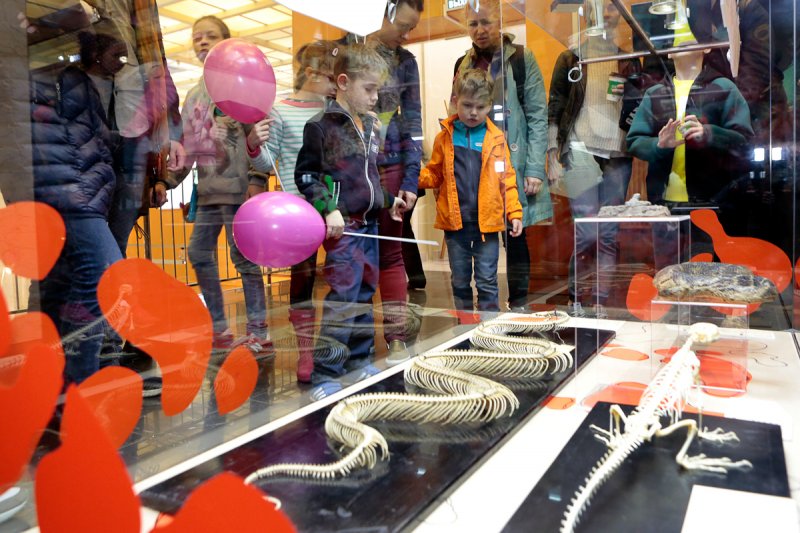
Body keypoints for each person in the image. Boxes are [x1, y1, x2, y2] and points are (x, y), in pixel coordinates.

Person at [294, 43, 405, 400]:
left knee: (364, 295)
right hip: (345, 230)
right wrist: (328, 208)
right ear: (343, 82)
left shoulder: (369, 125)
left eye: (377, 90)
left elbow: (367, 179)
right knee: (343, 299)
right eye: (369, 89)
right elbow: (307, 176)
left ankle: (358, 362)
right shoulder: (320, 126)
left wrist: (388, 200)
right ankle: (326, 372)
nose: (375, 98)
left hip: (370, 227)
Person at [157, 16, 270, 354]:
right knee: (198, 252)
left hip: (239, 193)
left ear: (226, 41)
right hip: (208, 193)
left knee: (244, 259)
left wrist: (257, 181)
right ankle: (219, 327)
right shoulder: (194, 95)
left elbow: (260, 141)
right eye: (197, 37)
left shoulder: (243, 84)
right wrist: (166, 180)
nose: (202, 42)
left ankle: (259, 332)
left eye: (210, 36)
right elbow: (188, 149)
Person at [27, 31, 123, 384]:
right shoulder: (25, 76)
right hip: (64, 195)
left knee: (60, 287)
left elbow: (97, 136)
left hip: (86, 194)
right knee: (102, 275)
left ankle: (57, 385)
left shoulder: (75, 79)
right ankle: (76, 385)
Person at [337, 0, 424, 365]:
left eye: (411, 28)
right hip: (349, 166)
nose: (406, 36)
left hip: (391, 165)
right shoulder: (344, 47)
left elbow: (414, 123)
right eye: (403, 26)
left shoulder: (406, 62)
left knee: (390, 253)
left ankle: (396, 337)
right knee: (350, 256)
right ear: (384, 13)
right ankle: (352, 346)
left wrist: (411, 177)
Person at [246, 40, 338, 383]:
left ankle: (334, 345)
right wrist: (253, 143)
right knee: (302, 281)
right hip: (299, 211)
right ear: (313, 74)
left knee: (342, 276)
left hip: (335, 207)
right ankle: (305, 351)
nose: (336, 84)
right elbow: (266, 162)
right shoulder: (280, 110)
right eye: (331, 77)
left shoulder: (334, 110)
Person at [454, 0, 550, 313]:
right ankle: (479, 309)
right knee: (476, 236)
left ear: (500, 21)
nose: (480, 30)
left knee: (516, 235)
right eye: (473, 24)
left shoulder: (521, 58)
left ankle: (519, 305)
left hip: (513, 162)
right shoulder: (462, 64)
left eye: (486, 22)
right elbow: (456, 116)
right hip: (473, 166)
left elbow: (537, 115)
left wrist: (534, 168)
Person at [546, 1, 641, 319]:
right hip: (580, 149)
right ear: (586, 12)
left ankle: (600, 302)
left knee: (609, 232)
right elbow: (555, 106)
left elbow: (638, 104)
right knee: (586, 231)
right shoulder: (571, 57)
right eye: (598, 7)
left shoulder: (629, 59)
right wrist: (552, 153)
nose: (605, 14)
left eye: (611, 7)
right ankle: (576, 298)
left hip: (618, 153)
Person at [626, 36, 753, 257]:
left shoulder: (723, 87)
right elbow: (634, 141)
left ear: (707, 48)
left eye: (693, 36)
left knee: (707, 269)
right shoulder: (655, 94)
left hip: (711, 202)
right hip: (664, 204)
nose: (685, 40)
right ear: (669, 53)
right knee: (666, 270)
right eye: (678, 40)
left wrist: (710, 134)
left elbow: (745, 140)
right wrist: (659, 144)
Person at [419, 69, 522, 313]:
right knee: (459, 281)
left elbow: (507, 180)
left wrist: (514, 212)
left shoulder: (496, 139)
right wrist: (412, 178)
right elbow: (434, 173)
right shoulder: (444, 138)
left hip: (488, 225)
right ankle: (463, 328)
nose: (473, 112)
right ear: (456, 101)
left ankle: (489, 328)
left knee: (487, 281)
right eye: (467, 105)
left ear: (490, 106)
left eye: (480, 107)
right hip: (456, 226)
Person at [90, 0, 185, 256]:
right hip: (92, 119)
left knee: (118, 235)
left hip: (132, 125)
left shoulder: (143, 5)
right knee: (88, 231)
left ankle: (112, 275)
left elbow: (158, 62)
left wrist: (170, 135)